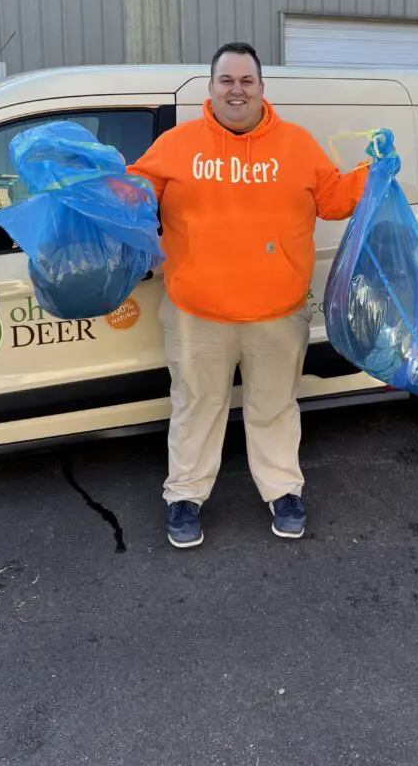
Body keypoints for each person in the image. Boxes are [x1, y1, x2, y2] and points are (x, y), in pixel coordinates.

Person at [127, 42, 368, 548]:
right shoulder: (176, 145)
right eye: (226, 80)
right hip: (196, 314)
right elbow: (131, 198)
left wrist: (375, 173)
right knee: (196, 406)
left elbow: (333, 200)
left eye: (246, 81)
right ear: (210, 87)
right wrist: (85, 190)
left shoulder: (297, 144)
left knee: (275, 406)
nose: (236, 90)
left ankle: (284, 491)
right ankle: (184, 496)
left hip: (277, 314)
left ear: (261, 87)